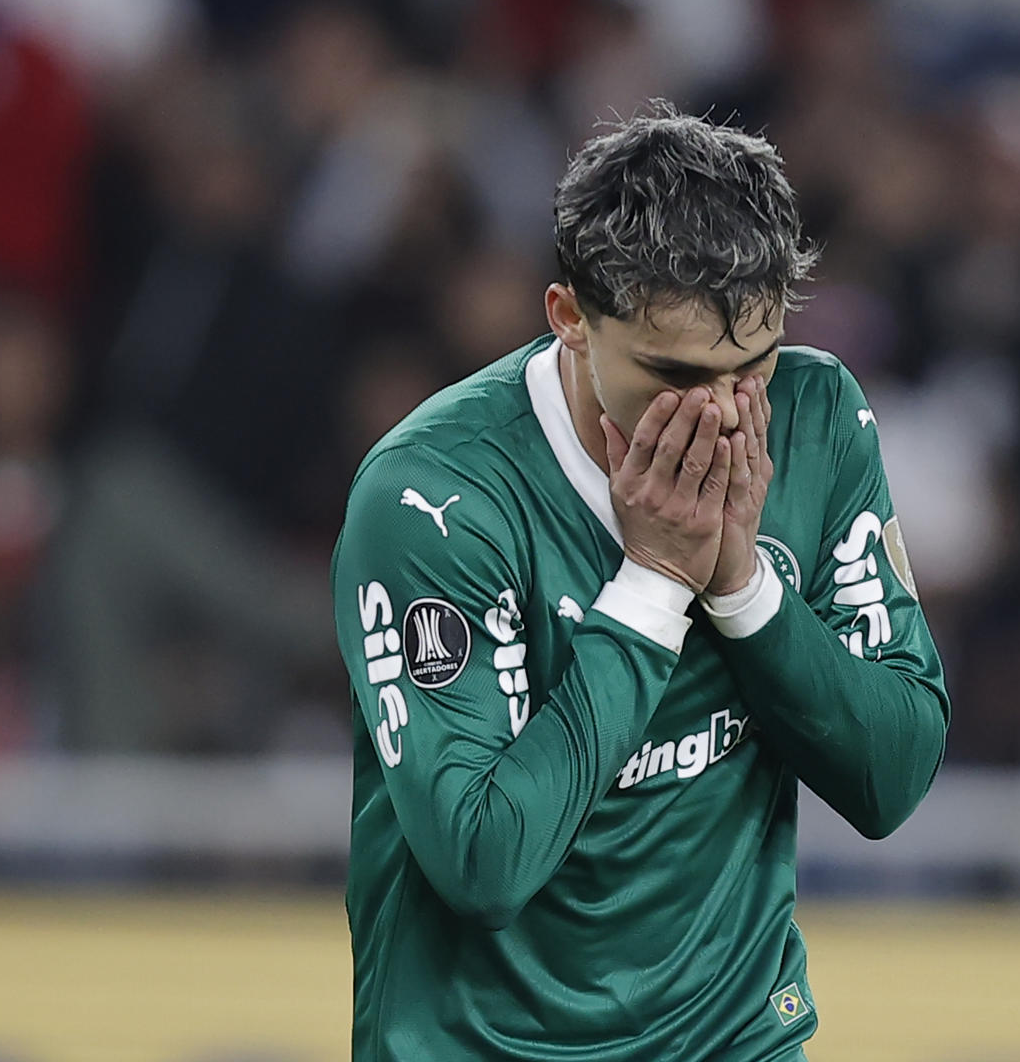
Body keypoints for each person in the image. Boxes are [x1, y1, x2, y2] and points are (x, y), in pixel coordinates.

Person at [331, 106, 949, 1059]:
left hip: (733, 1038)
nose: (725, 415)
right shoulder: (434, 496)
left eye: (753, 366)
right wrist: (656, 581)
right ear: (570, 318)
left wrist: (742, 584)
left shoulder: (816, 416)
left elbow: (893, 778)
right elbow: (484, 859)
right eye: (675, 373)